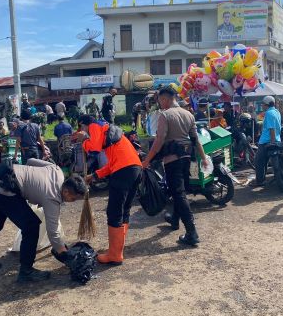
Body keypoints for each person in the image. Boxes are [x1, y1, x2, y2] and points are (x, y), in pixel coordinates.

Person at [0, 159, 87, 282]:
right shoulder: (53, 197)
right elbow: (53, 232)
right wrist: (63, 253)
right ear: (66, 191)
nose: (72, 202)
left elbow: (30, 161)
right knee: (31, 226)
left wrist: (29, 178)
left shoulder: (57, 170)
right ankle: (26, 271)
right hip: (6, 187)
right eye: (73, 199)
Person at [142, 87, 209, 246]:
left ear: (164, 99)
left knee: (178, 194)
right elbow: (195, 140)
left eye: (159, 100)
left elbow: (159, 141)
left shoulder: (164, 115)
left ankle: (191, 232)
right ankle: (174, 220)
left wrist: (147, 160)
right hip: (187, 158)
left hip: (172, 160)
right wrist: (204, 158)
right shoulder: (189, 114)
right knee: (180, 192)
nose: (159, 103)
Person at [77, 115, 142, 265]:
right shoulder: (108, 133)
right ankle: (118, 249)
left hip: (124, 171)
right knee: (123, 210)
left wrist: (84, 141)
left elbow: (94, 147)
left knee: (113, 212)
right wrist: (94, 175)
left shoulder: (95, 125)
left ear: (84, 124)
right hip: (135, 169)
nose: (83, 130)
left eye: (82, 127)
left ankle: (114, 255)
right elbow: (112, 164)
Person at [250, 96, 282, 187]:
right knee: (265, 162)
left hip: (266, 141)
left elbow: (272, 128)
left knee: (259, 161)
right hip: (276, 139)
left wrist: (272, 143)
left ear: (265, 105)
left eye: (263, 104)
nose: (262, 106)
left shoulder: (269, 113)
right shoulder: (277, 112)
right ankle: (262, 179)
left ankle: (260, 181)